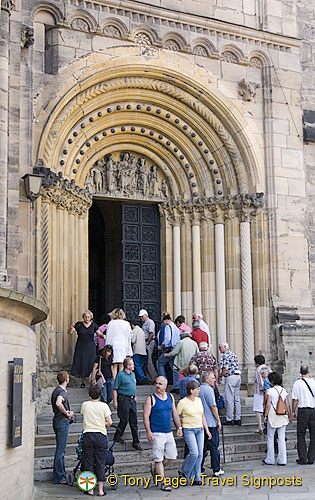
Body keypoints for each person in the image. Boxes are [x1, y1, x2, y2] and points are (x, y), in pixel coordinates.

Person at [143, 376, 183, 491]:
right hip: (157, 433)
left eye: (160, 384)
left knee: (171, 456)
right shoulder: (151, 399)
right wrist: (148, 431)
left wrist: (179, 427)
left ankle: (157, 471)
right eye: (156, 383)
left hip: (168, 432)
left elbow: (174, 413)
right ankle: (163, 482)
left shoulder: (170, 397)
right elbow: (146, 416)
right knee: (158, 458)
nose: (157, 385)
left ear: (165, 386)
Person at [177, 380, 211, 484]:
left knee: (200, 454)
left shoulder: (198, 400)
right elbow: (176, 415)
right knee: (194, 453)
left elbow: (202, 415)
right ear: (191, 390)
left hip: (199, 429)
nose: (199, 391)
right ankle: (184, 471)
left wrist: (207, 430)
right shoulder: (182, 402)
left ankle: (197, 478)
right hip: (189, 429)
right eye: (197, 389)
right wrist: (179, 427)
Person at [81, 386, 112, 496]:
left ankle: (89, 489)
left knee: (88, 462)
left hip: (88, 434)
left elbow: (84, 415)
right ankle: (100, 490)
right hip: (100, 435)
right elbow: (110, 422)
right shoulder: (104, 406)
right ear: (100, 395)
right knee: (100, 462)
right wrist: (103, 424)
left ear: (89, 394)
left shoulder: (85, 405)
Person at [69, 310, 105, 387]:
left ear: (91, 317)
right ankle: (83, 382)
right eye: (85, 317)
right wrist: (71, 328)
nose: (87, 318)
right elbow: (70, 332)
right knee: (83, 362)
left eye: (88, 317)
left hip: (90, 346)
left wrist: (104, 336)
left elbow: (99, 334)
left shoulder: (94, 325)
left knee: (91, 362)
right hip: (81, 346)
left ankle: (92, 380)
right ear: (83, 317)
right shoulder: (79, 325)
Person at [112, 357, 142, 450]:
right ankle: (117, 435)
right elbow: (115, 388)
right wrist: (115, 401)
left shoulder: (133, 374)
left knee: (134, 421)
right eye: (132, 364)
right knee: (124, 419)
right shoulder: (120, 375)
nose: (133, 366)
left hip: (132, 399)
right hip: (123, 399)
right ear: (128, 366)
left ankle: (136, 442)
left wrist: (134, 395)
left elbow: (133, 386)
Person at [263, 371, 292, 466]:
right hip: (282, 415)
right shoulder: (283, 390)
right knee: (281, 438)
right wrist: (290, 415)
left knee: (270, 437)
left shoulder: (270, 391)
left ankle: (270, 459)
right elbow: (287, 404)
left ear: (271, 382)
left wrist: (266, 415)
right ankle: (282, 460)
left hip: (273, 414)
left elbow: (268, 404)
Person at [51, 371, 73, 484]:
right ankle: (59, 476)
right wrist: (67, 413)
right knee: (60, 450)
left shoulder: (56, 390)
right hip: (62, 421)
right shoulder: (62, 391)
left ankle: (61, 474)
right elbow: (58, 403)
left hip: (57, 420)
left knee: (60, 449)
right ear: (66, 379)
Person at [199, 371, 224, 476]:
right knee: (214, 447)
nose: (215, 380)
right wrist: (218, 420)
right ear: (206, 379)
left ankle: (199, 468)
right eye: (213, 378)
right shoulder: (209, 390)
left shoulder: (199, 389)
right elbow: (213, 407)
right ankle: (216, 468)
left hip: (201, 422)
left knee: (203, 447)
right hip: (210, 422)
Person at [292, 365, 315, 465]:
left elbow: (295, 400)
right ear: (308, 371)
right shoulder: (314, 382)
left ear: (300, 372)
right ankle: (311, 458)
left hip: (303, 410)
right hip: (313, 410)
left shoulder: (297, 383)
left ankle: (303, 457)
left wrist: (293, 411)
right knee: (313, 435)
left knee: (301, 434)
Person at [105, 308, 132, 380]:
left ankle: (114, 381)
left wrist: (107, 346)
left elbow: (108, 335)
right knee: (121, 364)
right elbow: (129, 335)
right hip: (123, 345)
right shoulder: (126, 323)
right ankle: (119, 381)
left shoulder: (111, 323)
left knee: (114, 365)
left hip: (113, 344)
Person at [218, 343, 241, 425]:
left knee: (229, 398)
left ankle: (229, 418)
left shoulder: (225, 355)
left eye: (220, 347)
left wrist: (220, 375)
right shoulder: (233, 354)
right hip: (237, 376)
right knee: (236, 398)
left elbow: (225, 368)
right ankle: (237, 418)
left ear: (225, 347)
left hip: (230, 377)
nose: (219, 349)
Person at [158, 314, 181, 393]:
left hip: (169, 349)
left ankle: (162, 382)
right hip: (175, 349)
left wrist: (161, 346)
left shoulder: (168, 327)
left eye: (163, 321)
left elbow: (167, 338)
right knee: (174, 367)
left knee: (160, 363)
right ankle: (176, 386)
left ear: (166, 320)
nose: (163, 324)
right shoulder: (176, 328)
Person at [253, 355, 271, 434]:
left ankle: (260, 426)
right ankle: (267, 425)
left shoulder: (258, 369)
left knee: (258, 409)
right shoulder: (268, 368)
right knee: (266, 408)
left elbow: (260, 381)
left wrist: (262, 389)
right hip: (269, 391)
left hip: (260, 391)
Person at [139, 309, 157, 382]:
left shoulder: (150, 322)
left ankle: (154, 377)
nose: (141, 318)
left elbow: (151, 333)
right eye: (140, 317)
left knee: (149, 360)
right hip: (145, 342)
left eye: (142, 316)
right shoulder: (144, 323)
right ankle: (149, 377)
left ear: (146, 315)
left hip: (149, 342)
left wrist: (147, 343)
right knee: (146, 361)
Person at [130, 319, 148, 385]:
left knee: (136, 365)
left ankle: (143, 378)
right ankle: (140, 379)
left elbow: (133, 340)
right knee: (140, 365)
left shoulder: (135, 330)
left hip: (137, 351)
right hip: (143, 351)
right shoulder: (141, 330)